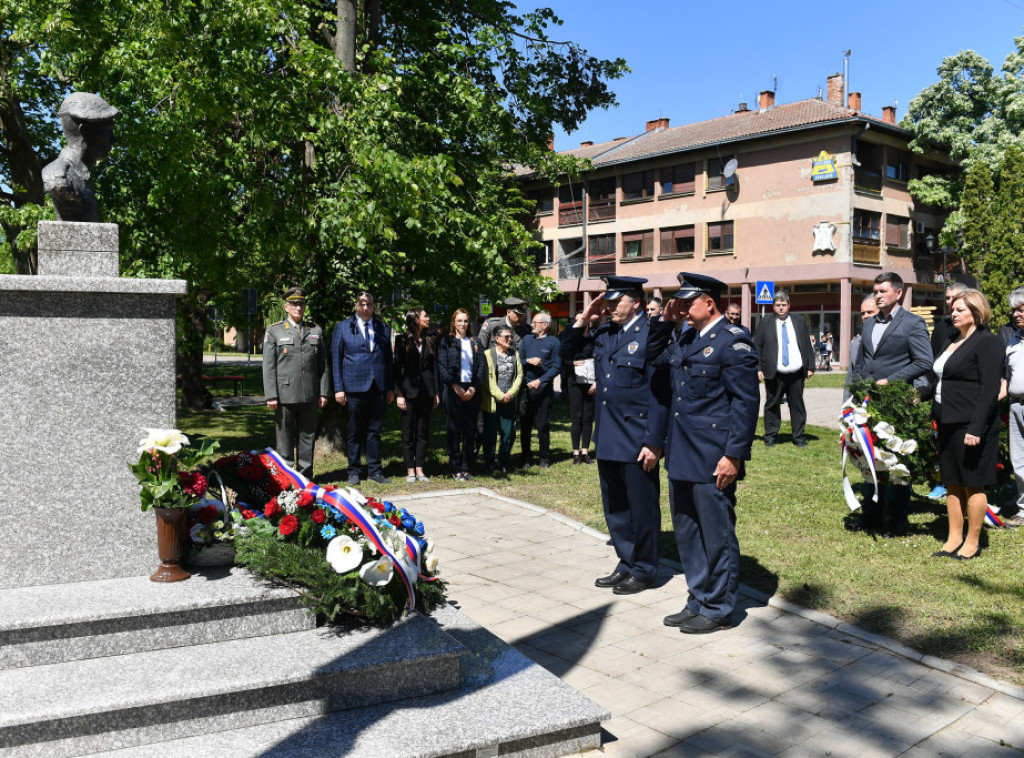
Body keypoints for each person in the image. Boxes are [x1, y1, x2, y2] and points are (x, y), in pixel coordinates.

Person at [647, 273, 760, 634]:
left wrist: (734, 455)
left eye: (687, 301)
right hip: (682, 451)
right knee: (687, 531)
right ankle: (698, 598)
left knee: (717, 534)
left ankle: (719, 606)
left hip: (713, 456)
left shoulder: (732, 342)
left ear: (709, 303)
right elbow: (652, 360)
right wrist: (665, 322)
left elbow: (746, 402)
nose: (680, 307)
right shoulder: (685, 337)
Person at [561, 276, 668, 596]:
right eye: (606, 301)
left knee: (642, 507)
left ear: (635, 302)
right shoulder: (605, 332)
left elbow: (660, 391)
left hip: (637, 437)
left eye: (615, 301)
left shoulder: (650, 334)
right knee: (617, 507)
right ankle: (627, 560)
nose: (609, 307)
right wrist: (583, 318)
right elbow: (568, 351)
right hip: (607, 434)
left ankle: (646, 568)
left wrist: (654, 441)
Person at [848, 272, 933, 536]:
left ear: (899, 293)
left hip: (897, 403)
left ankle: (897, 521)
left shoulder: (913, 324)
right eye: (875, 291)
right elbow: (863, 361)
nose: (877, 295)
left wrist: (891, 381)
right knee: (871, 460)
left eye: (883, 291)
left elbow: (924, 361)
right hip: (870, 403)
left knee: (897, 463)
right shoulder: (870, 324)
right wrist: (859, 391)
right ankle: (872, 514)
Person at [930, 290, 1002, 560]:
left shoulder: (988, 342)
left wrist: (976, 428)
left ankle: (972, 542)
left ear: (977, 312)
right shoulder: (951, 339)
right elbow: (940, 379)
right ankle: (952, 539)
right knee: (952, 483)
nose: (954, 313)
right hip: (947, 422)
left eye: (961, 309)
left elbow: (989, 389)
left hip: (972, 425)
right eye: (954, 308)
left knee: (973, 483)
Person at [262, 287, 330, 479]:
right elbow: (268, 367)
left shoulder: (315, 330)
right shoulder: (274, 331)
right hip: (284, 395)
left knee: (307, 437)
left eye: (301, 304)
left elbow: (323, 365)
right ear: (286, 307)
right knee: (284, 440)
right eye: (294, 304)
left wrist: (324, 392)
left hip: (310, 394)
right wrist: (271, 395)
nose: (298, 307)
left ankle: (305, 477)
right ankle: (286, 478)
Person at [331, 291, 395, 485]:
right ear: (356, 306)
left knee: (374, 431)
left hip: (378, 386)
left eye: (369, 304)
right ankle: (354, 471)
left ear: (374, 306)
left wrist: (390, 387)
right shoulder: (342, 328)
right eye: (362, 304)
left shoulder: (382, 327)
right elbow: (335, 359)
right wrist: (338, 388)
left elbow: (388, 359)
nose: (365, 308)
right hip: (354, 386)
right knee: (354, 431)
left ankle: (375, 470)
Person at [43, 92, 119, 222]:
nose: (114, 140)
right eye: (108, 131)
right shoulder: (59, 176)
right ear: (85, 131)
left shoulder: (82, 174)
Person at [753, 292, 815, 448]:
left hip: (796, 372)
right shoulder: (765, 322)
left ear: (789, 305)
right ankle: (770, 436)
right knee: (772, 404)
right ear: (773, 306)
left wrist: (811, 366)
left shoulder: (799, 321)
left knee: (797, 405)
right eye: (777, 305)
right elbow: (757, 347)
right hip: (774, 372)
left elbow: (807, 345)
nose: (781, 308)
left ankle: (799, 437)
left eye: (783, 305)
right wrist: (758, 367)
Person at [438, 309, 484, 481]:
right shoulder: (447, 342)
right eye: (459, 321)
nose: (463, 324)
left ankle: (467, 467)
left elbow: (480, 368)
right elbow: (442, 366)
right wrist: (455, 386)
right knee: (454, 430)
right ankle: (456, 467)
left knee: (470, 430)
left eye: (465, 321)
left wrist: (473, 388)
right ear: (453, 323)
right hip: (453, 390)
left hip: (471, 390)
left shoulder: (476, 341)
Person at [394, 308, 439, 483]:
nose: (427, 318)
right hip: (408, 392)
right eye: (424, 316)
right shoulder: (402, 340)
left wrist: (435, 391)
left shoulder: (430, 340)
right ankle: (410, 470)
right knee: (408, 433)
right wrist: (399, 393)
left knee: (422, 432)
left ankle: (420, 469)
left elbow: (433, 368)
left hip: (426, 392)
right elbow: (397, 368)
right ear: (415, 320)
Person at [518, 311, 561, 469]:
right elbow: (518, 360)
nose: (532, 325)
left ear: (544, 325)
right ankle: (526, 459)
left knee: (543, 425)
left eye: (535, 322)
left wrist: (541, 380)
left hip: (544, 390)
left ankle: (544, 458)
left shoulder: (554, 342)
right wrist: (529, 360)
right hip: (526, 389)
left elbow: (557, 367)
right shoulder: (527, 340)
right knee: (525, 425)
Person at [481, 325, 523, 475]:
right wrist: (500, 395)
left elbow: (519, 375)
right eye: (506, 337)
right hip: (492, 401)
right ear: (496, 339)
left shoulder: (514, 354)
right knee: (490, 435)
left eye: (511, 337)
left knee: (508, 433)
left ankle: (503, 462)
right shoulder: (487, 354)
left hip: (509, 401)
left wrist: (510, 394)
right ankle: (490, 463)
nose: (510, 339)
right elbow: (488, 378)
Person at [1001, 287, 1024, 526]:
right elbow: (1006, 378)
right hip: (1016, 406)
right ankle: (1023, 509)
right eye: (1014, 311)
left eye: (1021, 309)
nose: (1016, 315)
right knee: (1019, 460)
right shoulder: (1013, 340)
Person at [567, 312, 601, 464]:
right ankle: (575, 453)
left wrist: (597, 382)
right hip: (574, 383)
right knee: (577, 418)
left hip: (590, 382)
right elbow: (561, 360)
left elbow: (599, 360)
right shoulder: (568, 341)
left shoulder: (592, 340)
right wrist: (572, 363)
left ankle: (585, 451)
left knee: (588, 418)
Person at [844, 296, 878, 395]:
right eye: (863, 313)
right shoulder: (855, 344)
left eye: (870, 312)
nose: (865, 316)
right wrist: (846, 405)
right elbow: (851, 377)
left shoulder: (892, 339)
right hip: (861, 401)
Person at [931, 282, 969, 357]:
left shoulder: (979, 328)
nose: (950, 301)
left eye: (955, 297)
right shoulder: (940, 328)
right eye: (948, 298)